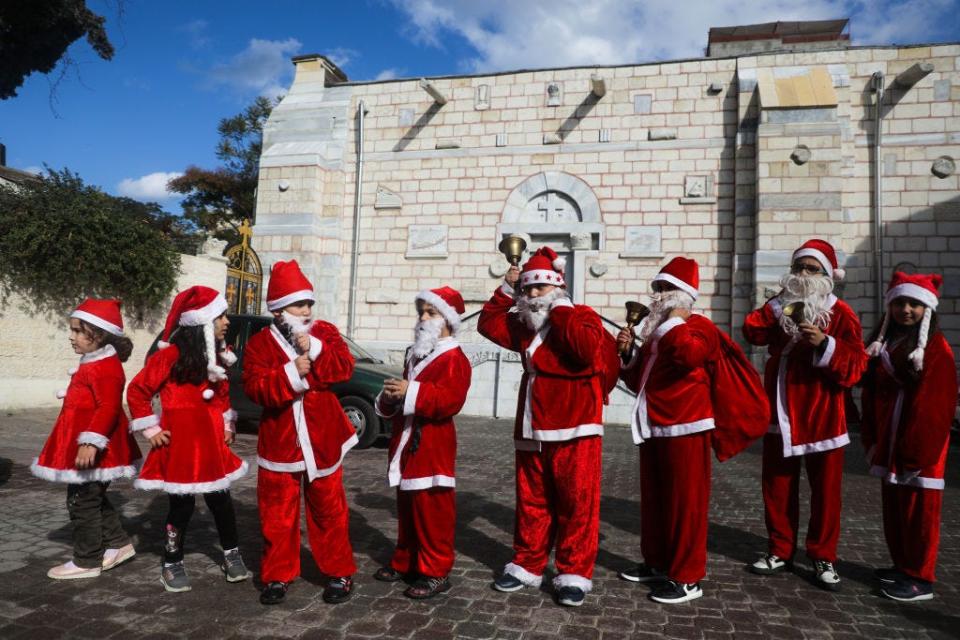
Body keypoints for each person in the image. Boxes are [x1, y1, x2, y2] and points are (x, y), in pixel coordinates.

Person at [478, 246, 606, 607]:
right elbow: (487, 324)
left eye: (541, 289)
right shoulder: (523, 325)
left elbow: (585, 350)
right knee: (532, 500)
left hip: (575, 424)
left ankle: (573, 573)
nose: (533, 296)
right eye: (529, 290)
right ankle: (527, 563)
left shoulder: (581, 316)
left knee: (576, 502)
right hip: (532, 423)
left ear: (558, 287)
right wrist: (506, 289)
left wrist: (561, 307)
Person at [743, 239, 867, 590]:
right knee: (778, 485)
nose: (803, 275)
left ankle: (822, 555)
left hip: (822, 412)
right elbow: (751, 331)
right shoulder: (779, 305)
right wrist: (776, 306)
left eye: (812, 269)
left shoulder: (841, 313)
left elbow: (857, 365)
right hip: (780, 407)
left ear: (827, 275)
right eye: (799, 267)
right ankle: (780, 549)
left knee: (826, 491)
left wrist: (825, 345)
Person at [242, 260, 358, 606]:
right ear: (278, 309)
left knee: (329, 510)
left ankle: (339, 571)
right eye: (298, 304)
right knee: (277, 515)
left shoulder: (327, 334)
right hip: (280, 441)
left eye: (309, 303)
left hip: (322, 438)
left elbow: (344, 368)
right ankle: (277, 575)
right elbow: (255, 388)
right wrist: (290, 373)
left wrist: (317, 352)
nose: (306, 310)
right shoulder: (260, 345)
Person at [127, 285, 250, 593]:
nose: (227, 322)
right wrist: (152, 430)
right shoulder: (168, 357)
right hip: (180, 448)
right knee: (180, 508)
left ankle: (231, 553)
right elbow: (138, 391)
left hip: (211, 447)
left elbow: (222, 396)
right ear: (202, 325)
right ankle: (171, 561)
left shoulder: (218, 360)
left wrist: (226, 424)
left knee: (222, 503)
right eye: (221, 316)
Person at [615, 257, 720, 603]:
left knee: (685, 504)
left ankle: (688, 577)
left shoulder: (699, 328)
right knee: (656, 501)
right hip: (655, 423)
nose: (656, 297)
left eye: (664, 290)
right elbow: (638, 380)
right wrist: (629, 351)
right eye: (657, 289)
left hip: (687, 425)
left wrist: (672, 322)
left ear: (682, 296)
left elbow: (690, 357)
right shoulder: (662, 333)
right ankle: (658, 562)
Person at [861, 272, 957, 602]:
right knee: (896, 507)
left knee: (920, 511)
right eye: (900, 303)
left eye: (914, 304)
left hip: (919, 443)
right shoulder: (887, 341)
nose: (906, 310)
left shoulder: (935, 348)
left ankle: (920, 577)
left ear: (927, 308)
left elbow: (936, 403)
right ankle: (902, 565)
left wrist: (917, 451)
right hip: (893, 437)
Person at [31, 299, 141, 579]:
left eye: (80, 331)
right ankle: (119, 544)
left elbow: (108, 407)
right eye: (72, 330)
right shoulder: (94, 361)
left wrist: (91, 442)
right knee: (90, 497)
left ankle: (87, 560)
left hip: (96, 448)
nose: (72, 336)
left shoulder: (106, 367)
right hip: (86, 443)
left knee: (83, 501)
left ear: (101, 334)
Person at [374, 287, 472, 600]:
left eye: (430, 313)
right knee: (408, 507)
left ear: (447, 319)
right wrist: (390, 397)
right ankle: (406, 559)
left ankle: (436, 571)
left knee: (432, 509)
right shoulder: (415, 352)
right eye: (422, 312)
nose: (423, 319)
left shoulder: (455, 359)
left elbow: (450, 400)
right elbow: (404, 393)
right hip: (407, 442)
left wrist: (411, 392)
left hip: (433, 444)